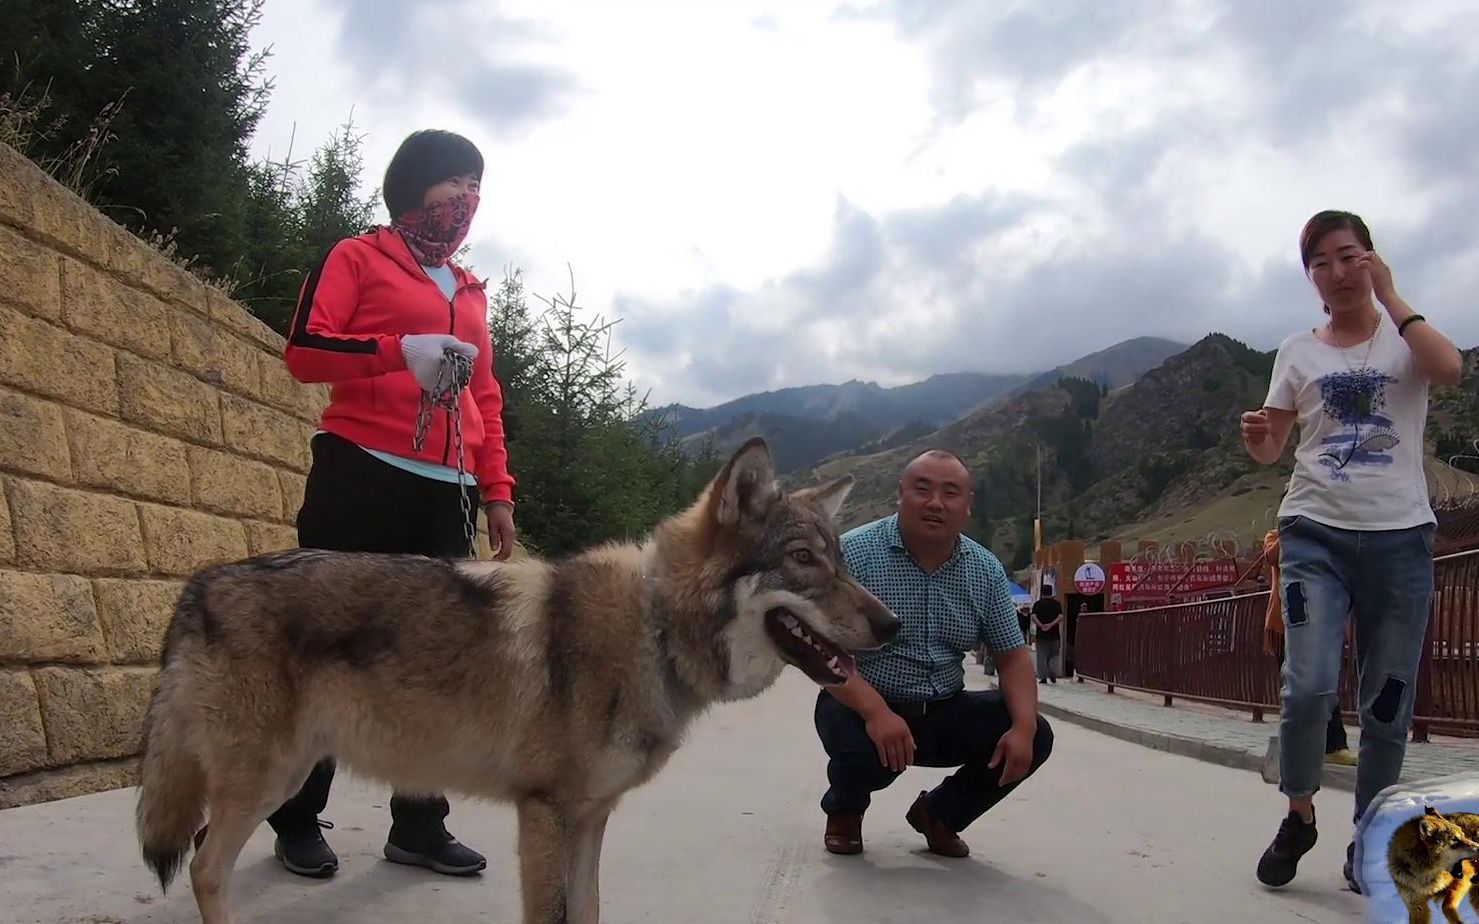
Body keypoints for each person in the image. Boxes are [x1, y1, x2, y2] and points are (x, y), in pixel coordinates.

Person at [273, 129, 519, 879]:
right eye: (453, 183)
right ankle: (294, 815)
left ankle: (417, 825)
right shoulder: (356, 257)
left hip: (445, 491)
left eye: (476, 186)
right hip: (360, 475)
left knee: (430, 662)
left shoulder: (470, 291)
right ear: (413, 188)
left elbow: (485, 394)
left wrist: (497, 490)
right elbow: (304, 352)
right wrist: (394, 349)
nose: (466, 200)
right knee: (328, 646)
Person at [1240, 210, 1461, 893]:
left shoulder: (1406, 340)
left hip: (1399, 540)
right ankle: (1299, 812)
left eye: (1349, 256)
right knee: (1307, 685)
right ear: (1309, 278)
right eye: (1321, 264)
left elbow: (1449, 369)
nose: (1337, 273)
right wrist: (1258, 441)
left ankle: (1368, 835)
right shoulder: (1295, 352)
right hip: (1314, 535)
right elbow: (1273, 445)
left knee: (1388, 701)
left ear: (1370, 260)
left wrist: (1393, 299)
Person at [814, 450, 1054, 858]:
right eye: (922, 489)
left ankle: (939, 814)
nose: (935, 503)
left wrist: (1024, 727)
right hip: (858, 702)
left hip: (943, 706)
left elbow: (1012, 657)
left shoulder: (985, 570)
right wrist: (876, 712)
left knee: (1035, 734)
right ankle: (845, 808)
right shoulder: (853, 555)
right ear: (900, 495)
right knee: (862, 753)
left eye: (950, 493)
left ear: (967, 505)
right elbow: (821, 649)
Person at [1261, 528, 1357, 767]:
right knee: (1295, 688)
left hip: (1319, 621)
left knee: (1326, 684)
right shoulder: (1275, 537)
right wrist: (1293, 531)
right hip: (1284, 623)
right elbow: (1273, 557)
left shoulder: (1321, 535)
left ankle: (1334, 745)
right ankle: (1296, 746)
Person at [1030, 587, 1063, 684]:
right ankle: (1053, 674)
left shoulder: (1037, 604)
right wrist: (1051, 625)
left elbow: (1033, 616)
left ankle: (1043, 677)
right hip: (1055, 634)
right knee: (1054, 656)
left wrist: (1041, 625)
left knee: (1042, 656)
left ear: (1042, 593)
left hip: (1041, 635)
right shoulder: (1057, 604)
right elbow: (1060, 616)